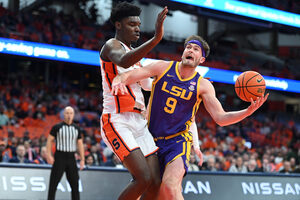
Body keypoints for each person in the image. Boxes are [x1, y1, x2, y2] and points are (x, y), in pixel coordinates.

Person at [111, 34, 269, 199]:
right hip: (151, 140)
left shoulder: (203, 85)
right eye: (188, 47)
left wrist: (247, 111)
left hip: (178, 141)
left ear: (201, 59)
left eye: (196, 49)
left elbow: (220, 118)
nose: (190, 50)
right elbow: (134, 74)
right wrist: (120, 79)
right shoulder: (162, 67)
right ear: (183, 53)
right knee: (152, 192)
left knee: (170, 186)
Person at [99, 2, 168, 200]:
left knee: (155, 183)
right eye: (131, 24)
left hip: (139, 123)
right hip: (117, 121)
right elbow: (123, 60)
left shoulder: (137, 59)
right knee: (143, 178)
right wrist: (156, 39)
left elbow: (149, 85)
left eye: (138, 24)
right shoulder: (112, 46)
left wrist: (188, 80)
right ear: (118, 25)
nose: (137, 28)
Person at [46, 106, 84, 200]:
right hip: (60, 157)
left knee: (75, 185)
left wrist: (82, 159)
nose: (69, 115)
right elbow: (49, 140)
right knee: (53, 184)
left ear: (74, 115)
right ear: (63, 114)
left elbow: (80, 144)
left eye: (71, 113)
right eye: (67, 113)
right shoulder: (57, 127)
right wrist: (48, 155)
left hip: (71, 158)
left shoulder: (77, 128)